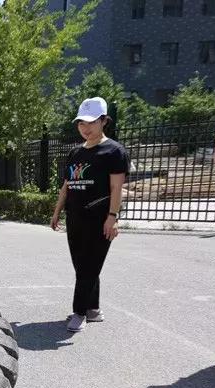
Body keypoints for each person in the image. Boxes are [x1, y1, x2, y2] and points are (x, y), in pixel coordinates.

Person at [50, 97, 129, 332]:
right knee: (82, 266)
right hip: (75, 218)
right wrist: (57, 212)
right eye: (81, 123)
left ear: (103, 121)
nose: (85, 128)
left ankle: (79, 313)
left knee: (89, 266)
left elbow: (116, 188)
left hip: (100, 219)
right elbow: (66, 185)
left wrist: (113, 217)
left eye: (91, 122)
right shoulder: (75, 153)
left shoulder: (114, 151)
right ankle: (93, 309)